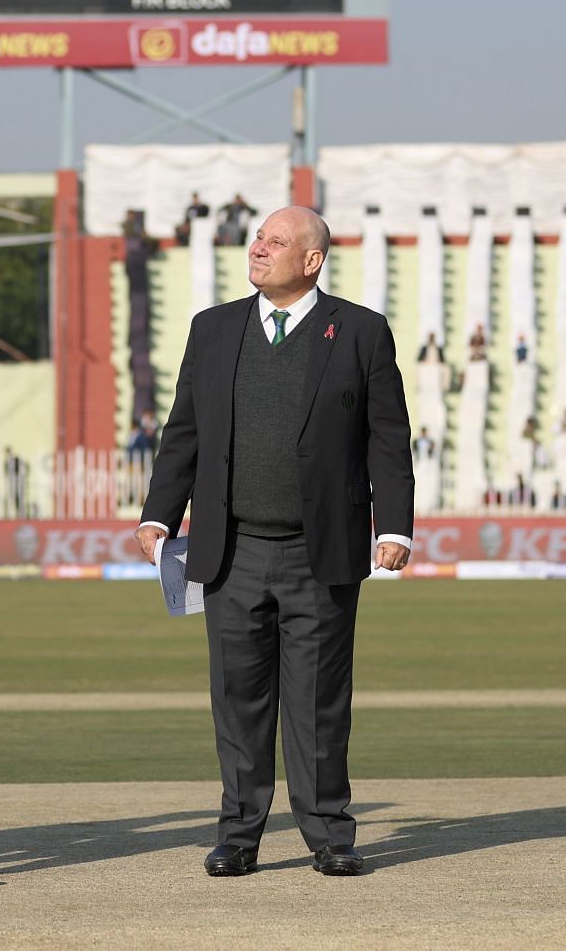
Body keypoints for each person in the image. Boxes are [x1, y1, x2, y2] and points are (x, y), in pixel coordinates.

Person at [134, 206, 413, 879]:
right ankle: (238, 836)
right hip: (229, 551)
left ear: (311, 260)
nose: (257, 248)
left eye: (275, 241)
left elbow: (387, 437)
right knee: (238, 699)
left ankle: (329, 836)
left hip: (322, 552)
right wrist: (158, 514)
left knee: (318, 702)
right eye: (258, 238)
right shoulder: (213, 328)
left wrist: (396, 525)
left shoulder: (361, 332)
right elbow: (184, 432)